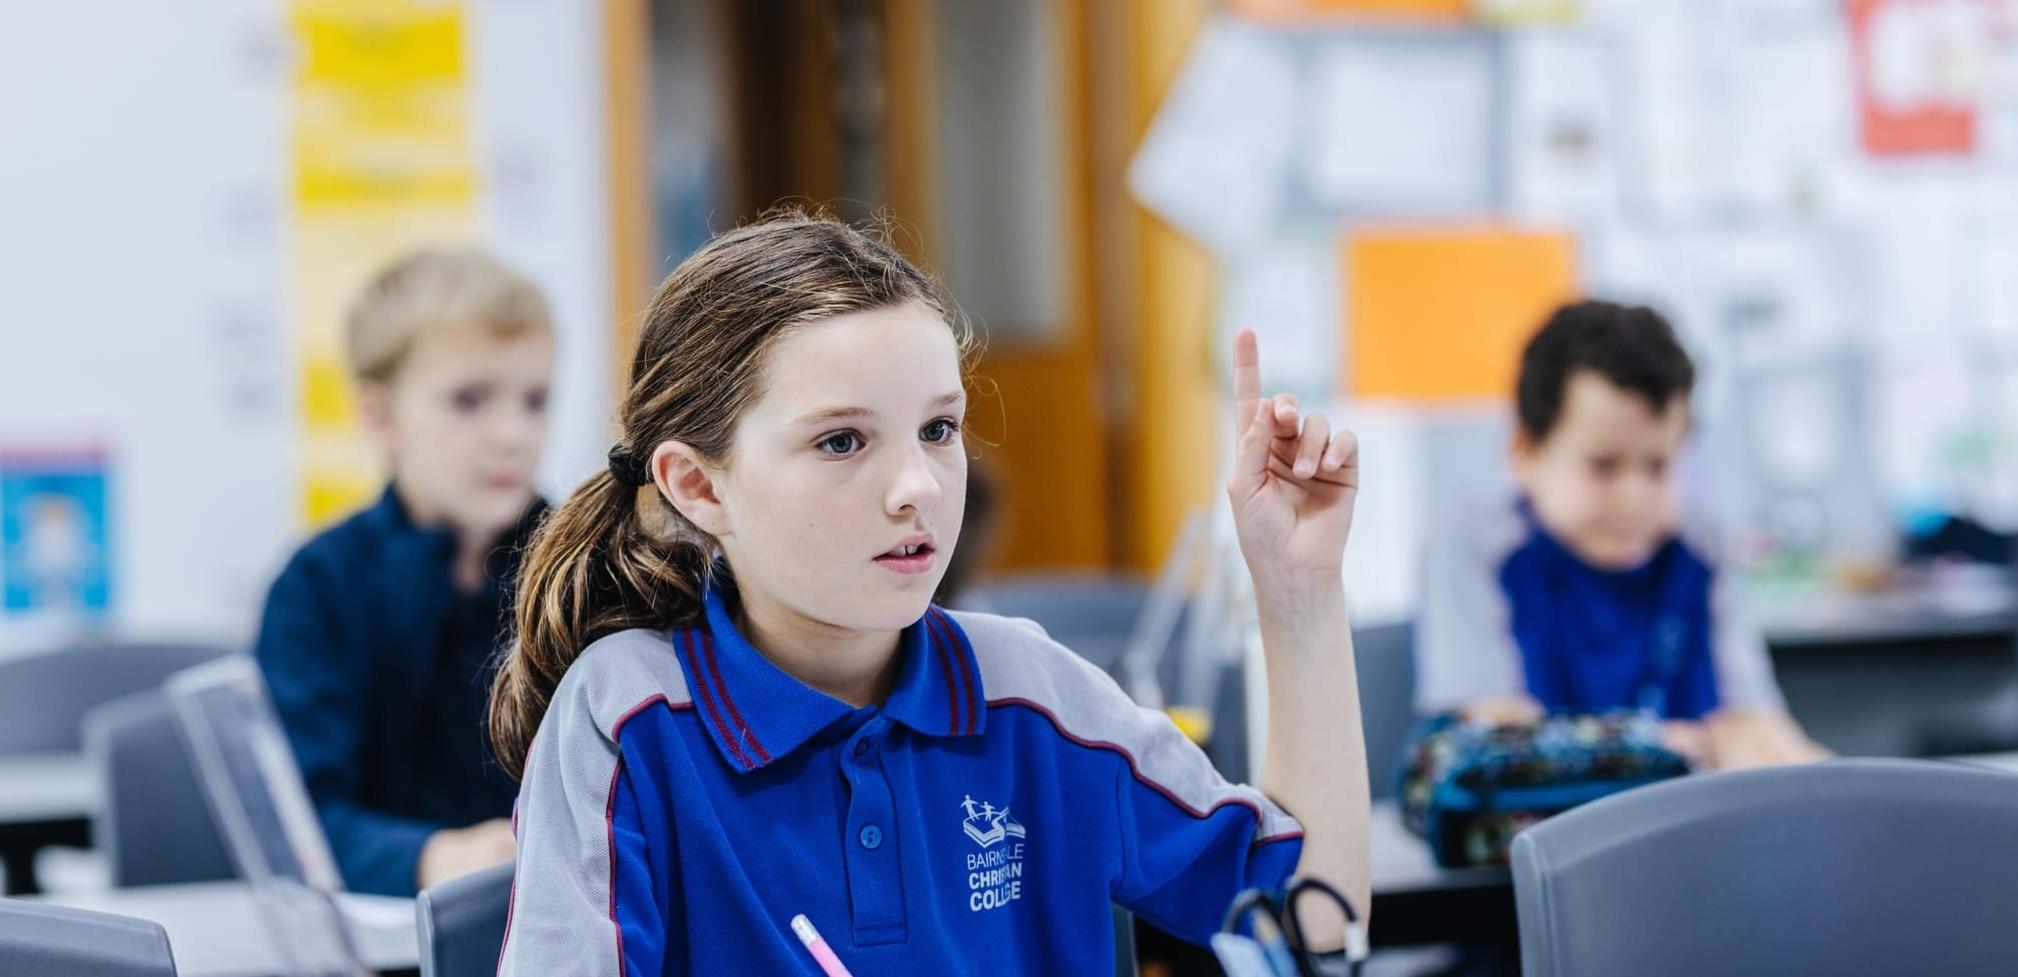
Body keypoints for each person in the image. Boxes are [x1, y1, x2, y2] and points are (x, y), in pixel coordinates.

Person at [488, 213, 1370, 974]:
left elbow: (1315, 914)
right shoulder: (626, 714)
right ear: (698, 485)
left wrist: (1299, 591)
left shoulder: (1029, 691)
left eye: (939, 428)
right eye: (841, 441)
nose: (918, 485)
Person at [255, 248, 554, 895]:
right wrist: (432, 858)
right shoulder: (318, 586)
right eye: (469, 400)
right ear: (380, 416)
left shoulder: (588, 571)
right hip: (387, 923)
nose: (513, 435)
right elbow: (298, 823)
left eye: (535, 401)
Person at [1415, 300, 1826, 769]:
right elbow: (1493, 740)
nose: (1634, 498)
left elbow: (1754, 726)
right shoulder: (1477, 550)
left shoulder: (1700, 548)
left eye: (1658, 466)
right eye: (1603, 466)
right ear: (1525, 452)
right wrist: (1665, 746)